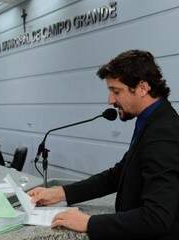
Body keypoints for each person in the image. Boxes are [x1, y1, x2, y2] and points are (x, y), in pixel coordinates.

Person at [28, 50, 179, 240]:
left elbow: (157, 218)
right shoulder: (151, 121)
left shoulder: (163, 133)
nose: (110, 100)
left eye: (116, 91)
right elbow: (118, 175)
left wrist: (89, 223)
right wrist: (60, 193)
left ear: (142, 88)